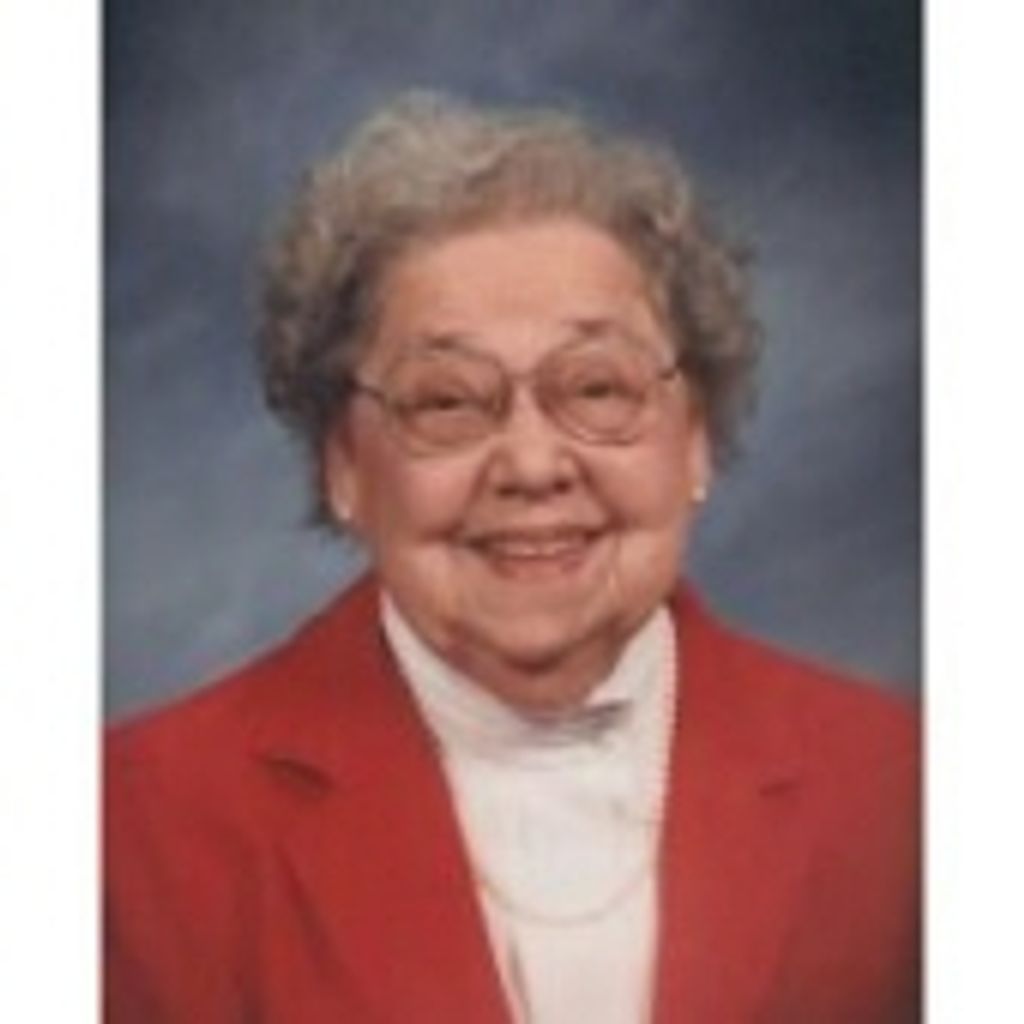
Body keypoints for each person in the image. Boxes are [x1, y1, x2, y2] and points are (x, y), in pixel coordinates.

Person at [104, 92, 919, 1023]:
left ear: (694, 437)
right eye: (447, 401)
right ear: (345, 466)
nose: (532, 466)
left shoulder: (904, 786)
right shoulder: (127, 831)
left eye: (598, 388)